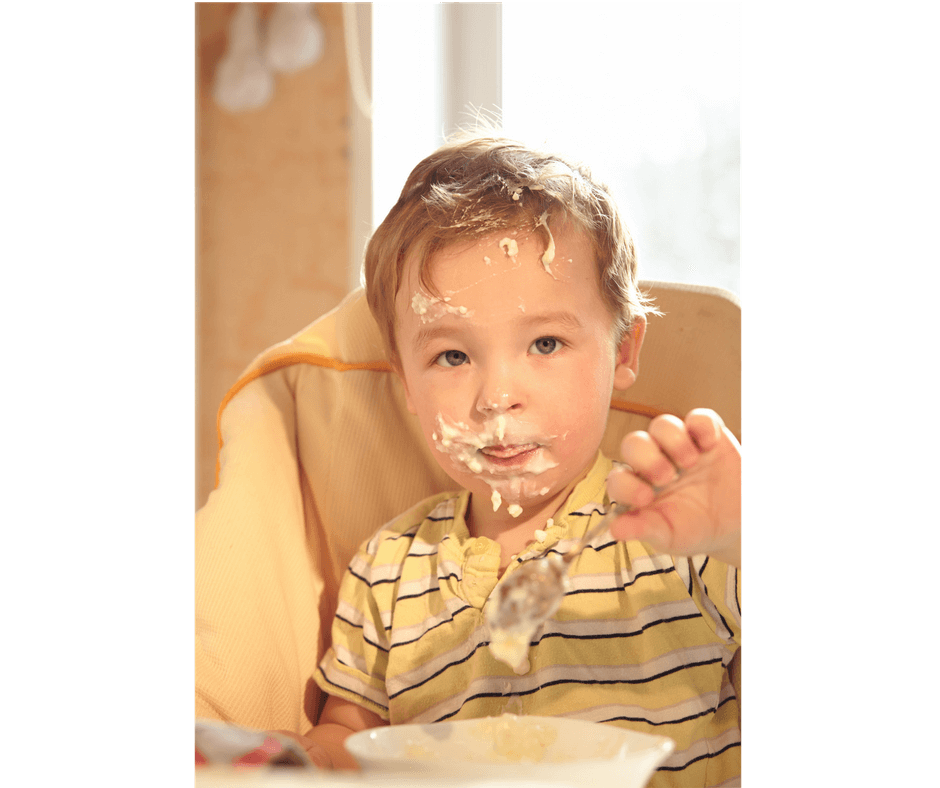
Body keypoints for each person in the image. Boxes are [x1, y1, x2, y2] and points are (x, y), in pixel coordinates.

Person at [278, 134, 742, 786]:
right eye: (453, 356)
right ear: (406, 382)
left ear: (625, 351)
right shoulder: (387, 567)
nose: (497, 398)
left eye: (545, 342)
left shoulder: (680, 521)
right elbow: (347, 737)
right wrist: (299, 758)